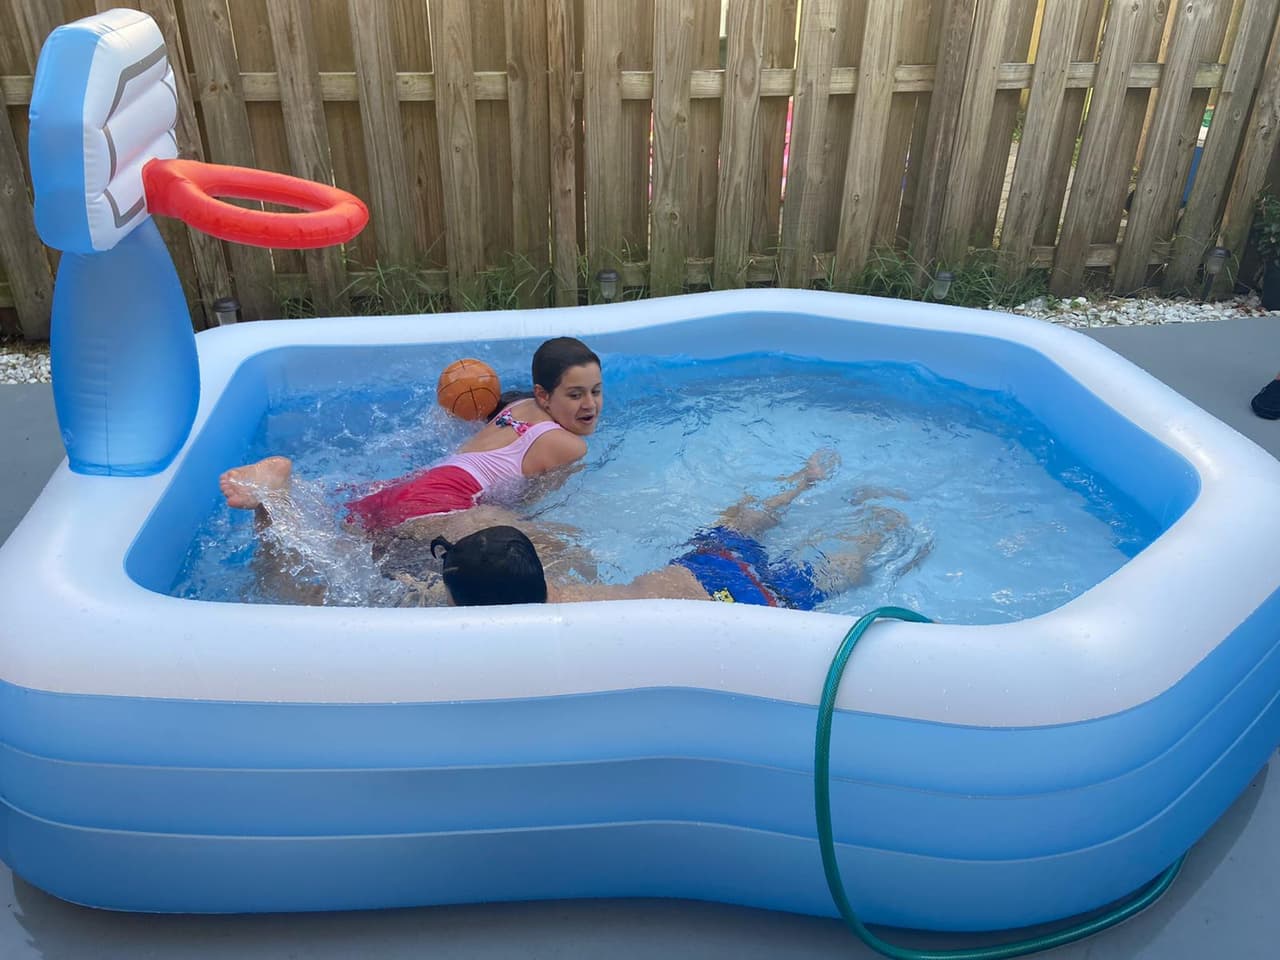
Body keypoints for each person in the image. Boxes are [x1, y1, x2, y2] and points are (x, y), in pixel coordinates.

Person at [426, 452, 930, 609]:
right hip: (699, 569)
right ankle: (806, 481)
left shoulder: (549, 625)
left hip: (738, 603)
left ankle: (885, 528)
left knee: (835, 574)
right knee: (736, 524)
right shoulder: (547, 592)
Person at [219, 337, 603, 530]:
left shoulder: (517, 408)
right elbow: (534, 504)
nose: (590, 404)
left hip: (414, 483)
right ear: (543, 394)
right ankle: (274, 496)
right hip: (442, 500)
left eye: (596, 391)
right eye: (576, 394)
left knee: (334, 538)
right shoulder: (567, 445)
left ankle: (277, 494)